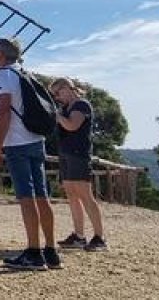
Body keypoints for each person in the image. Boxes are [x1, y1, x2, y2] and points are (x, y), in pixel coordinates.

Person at [0, 37, 62, 271]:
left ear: (1, 55)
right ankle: (51, 252)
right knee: (42, 195)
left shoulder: (2, 76)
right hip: (36, 140)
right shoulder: (25, 73)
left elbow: (3, 113)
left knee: (26, 196)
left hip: (17, 143)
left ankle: (33, 252)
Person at [53, 78, 108, 251]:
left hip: (78, 154)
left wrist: (57, 116)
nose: (57, 97)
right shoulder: (65, 108)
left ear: (67, 88)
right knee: (71, 194)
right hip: (66, 153)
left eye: (58, 92)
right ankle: (79, 236)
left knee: (85, 195)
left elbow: (72, 126)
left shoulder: (81, 106)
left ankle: (100, 237)